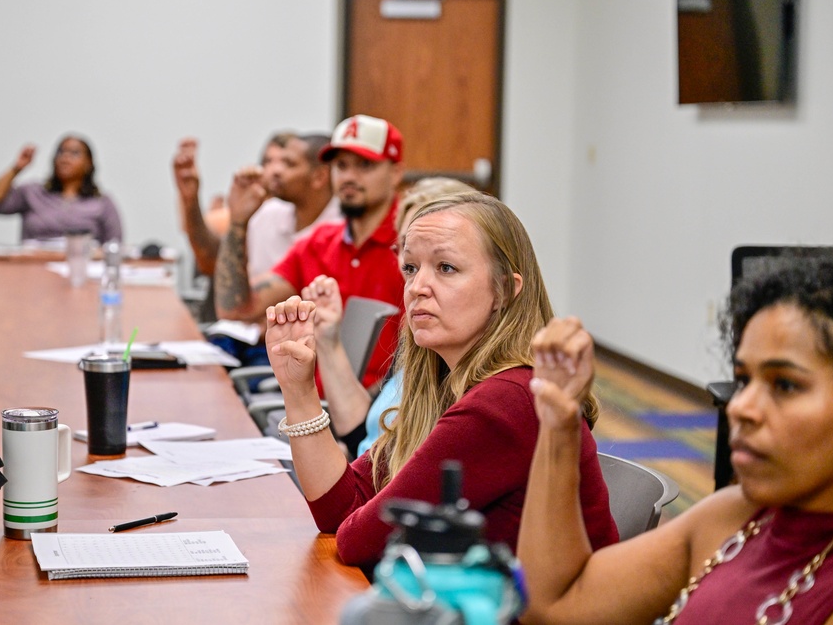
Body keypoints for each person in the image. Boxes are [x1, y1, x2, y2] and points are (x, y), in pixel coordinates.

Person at [264, 192, 618, 567]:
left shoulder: (506, 401)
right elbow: (343, 508)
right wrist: (298, 389)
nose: (417, 287)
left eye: (446, 268)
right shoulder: (445, 384)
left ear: (505, 289)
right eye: (411, 268)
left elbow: (358, 541)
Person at [518, 254, 833, 624]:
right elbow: (554, 606)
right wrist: (558, 423)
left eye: (785, 384)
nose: (740, 407)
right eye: (744, 380)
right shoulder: (732, 517)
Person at [217, 114, 406, 390]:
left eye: (365, 165)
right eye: (341, 166)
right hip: (316, 409)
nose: (349, 177)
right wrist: (237, 222)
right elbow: (236, 309)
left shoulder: (412, 247)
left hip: (387, 414)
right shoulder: (319, 242)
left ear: (395, 173)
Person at [300, 177, 474, 455]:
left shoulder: (457, 353)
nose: (416, 281)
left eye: (444, 265)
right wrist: (327, 338)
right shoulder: (418, 334)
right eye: (406, 250)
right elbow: (365, 433)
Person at [172, 132, 340, 277]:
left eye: (289, 164)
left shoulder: (343, 230)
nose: (275, 170)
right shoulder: (269, 213)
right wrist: (190, 200)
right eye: (270, 162)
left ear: (319, 177)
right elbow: (214, 263)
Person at [0, 135, 122, 243]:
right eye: (61, 152)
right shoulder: (33, 193)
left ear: (88, 163)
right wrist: (16, 168)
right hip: (34, 270)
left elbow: (114, 246)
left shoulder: (102, 203)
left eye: (74, 153)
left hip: (81, 270)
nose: (65, 157)